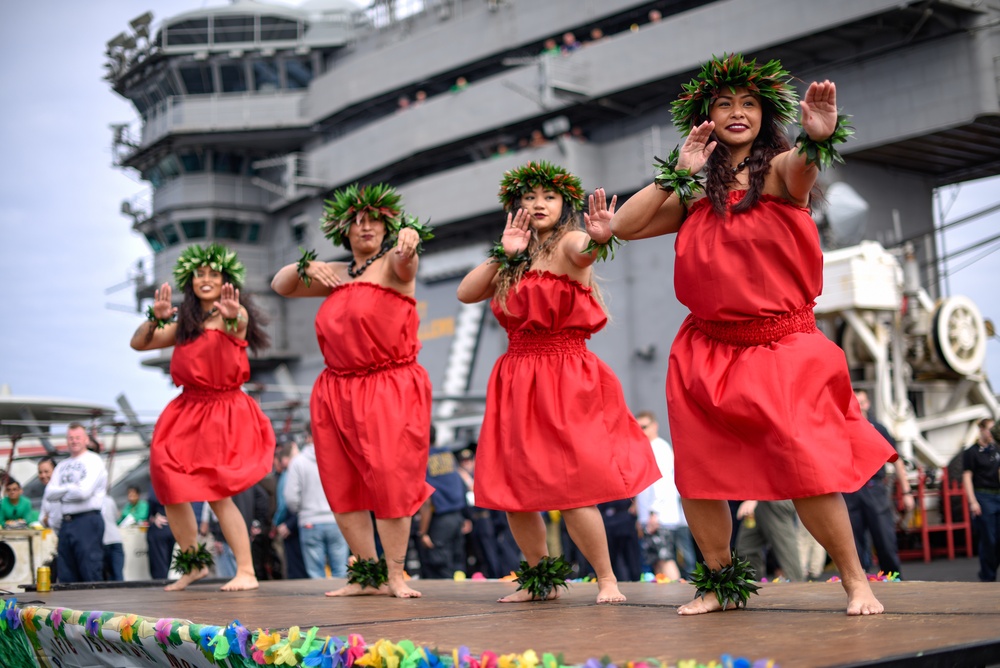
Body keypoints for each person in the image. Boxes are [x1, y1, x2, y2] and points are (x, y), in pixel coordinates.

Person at [602, 53, 897, 615]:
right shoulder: (694, 194)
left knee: (805, 468)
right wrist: (680, 170)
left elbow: (805, 170)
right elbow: (623, 225)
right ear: (706, 115)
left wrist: (816, 140)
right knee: (699, 473)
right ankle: (718, 581)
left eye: (749, 103)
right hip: (705, 347)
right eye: (725, 103)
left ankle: (856, 581)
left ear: (765, 114)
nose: (738, 112)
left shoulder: (783, 169)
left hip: (781, 344)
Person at [456, 161, 660, 603]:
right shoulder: (514, 257)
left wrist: (602, 236)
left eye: (547, 197)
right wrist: (505, 253)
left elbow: (587, 249)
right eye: (528, 198)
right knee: (516, 490)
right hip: (515, 375)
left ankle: (606, 579)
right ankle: (539, 579)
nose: (537, 204)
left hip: (563, 371)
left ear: (563, 204)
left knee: (572, 487)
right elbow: (466, 293)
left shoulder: (569, 242)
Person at [272, 182, 434, 598]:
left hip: (388, 384)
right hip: (335, 389)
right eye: (358, 221)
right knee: (341, 483)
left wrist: (408, 247)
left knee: (389, 479)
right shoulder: (338, 275)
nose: (366, 227)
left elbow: (407, 266)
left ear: (387, 226)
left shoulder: (395, 266)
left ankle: (396, 573)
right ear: (345, 230)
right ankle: (367, 573)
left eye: (374, 220)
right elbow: (281, 284)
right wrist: (307, 266)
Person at [130, 243, 276, 591]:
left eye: (213, 274)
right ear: (191, 281)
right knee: (169, 484)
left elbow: (238, 324)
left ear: (225, 280)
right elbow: (139, 343)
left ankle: (246, 571)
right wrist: (156, 317)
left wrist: (232, 312)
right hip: (186, 409)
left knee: (216, 492)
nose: (206, 279)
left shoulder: (231, 318)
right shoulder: (184, 325)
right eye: (200, 274)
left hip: (222, 410)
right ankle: (194, 562)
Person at [843, 389, 914, 577]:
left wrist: (906, 493)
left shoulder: (878, 428)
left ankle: (893, 578)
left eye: (862, 402)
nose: (859, 406)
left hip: (874, 488)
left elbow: (896, 460)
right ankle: (858, 581)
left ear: (868, 404)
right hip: (849, 490)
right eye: (855, 402)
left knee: (884, 537)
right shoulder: (841, 428)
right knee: (852, 541)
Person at [634, 410, 695, 580]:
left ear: (655, 426)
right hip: (651, 516)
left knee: (665, 558)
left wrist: (654, 513)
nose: (641, 431)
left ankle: (675, 592)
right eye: (637, 428)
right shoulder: (648, 448)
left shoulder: (659, 448)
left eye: (644, 427)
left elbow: (661, 483)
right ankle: (666, 595)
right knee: (656, 560)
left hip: (660, 516)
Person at [44, 422, 108, 583]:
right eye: (70, 438)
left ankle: (94, 608)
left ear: (86, 439)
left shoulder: (94, 460)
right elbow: (49, 494)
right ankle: (70, 608)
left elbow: (83, 492)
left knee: (90, 570)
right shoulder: (61, 465)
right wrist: (71, 488)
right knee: (66, 573)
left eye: (78, 437)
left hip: (87, 520)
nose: (74, 441)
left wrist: (61, 492)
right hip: (66, 523)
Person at [284, 431, 348, 579]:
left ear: (307, 436)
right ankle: (344, 601)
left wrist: (302, 511)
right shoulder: (338, 457)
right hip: (336, 519)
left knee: (315, 574)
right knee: (341, 571)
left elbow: (290, 498)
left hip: (309, 521)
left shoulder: (298, 461)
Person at [417, 428, 469, 579]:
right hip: (456, 516)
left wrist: (423, 532)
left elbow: (426, 501)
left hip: (439, 521)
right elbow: (460, 485)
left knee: (438, 566)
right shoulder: (447, 454)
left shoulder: (423, 459)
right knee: (457, 564)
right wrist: (466, 516)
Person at [963, 417, 1000, 582]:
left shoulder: (996, 449)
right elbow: (967, 476)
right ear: (982, 430)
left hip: (997, 494)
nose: (992, 434)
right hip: (983, 497)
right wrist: (973, 501)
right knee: (989, 539)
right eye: (989, 430)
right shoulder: (971, 452)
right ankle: (987, 576)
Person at [101, 495, 125, 581]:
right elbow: (116, 516)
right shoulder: (109, 499)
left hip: (102, 541)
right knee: (118, 573)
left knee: (108, 575)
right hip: (116, 539)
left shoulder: (91, 503)